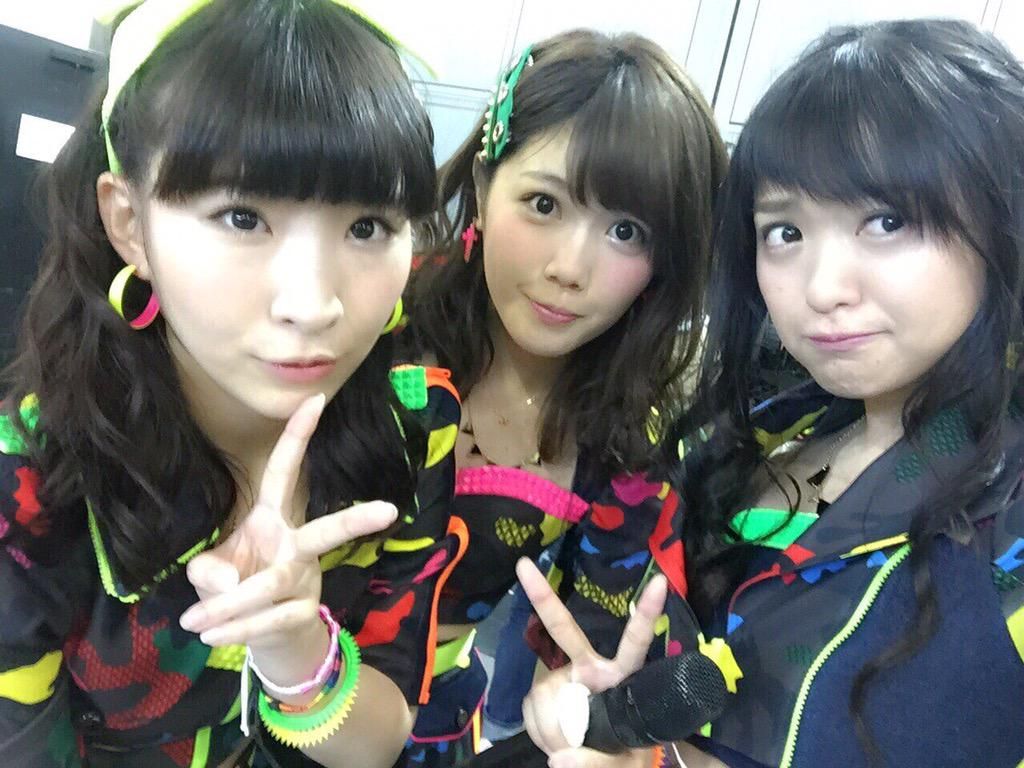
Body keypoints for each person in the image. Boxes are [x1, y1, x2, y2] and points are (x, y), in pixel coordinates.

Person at [518, 18, 1024, 768]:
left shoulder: (1005, 521)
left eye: (886, 221)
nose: (821, 289)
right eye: (784, 232)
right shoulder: (754, 439)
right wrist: (612, 719)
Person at [0, 1, 466, 766]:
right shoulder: (29, 485)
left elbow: (380, 740)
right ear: (128, 224)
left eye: (367, 227)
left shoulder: (414, 424)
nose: (314, 305)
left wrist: (298, 651)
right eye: (243, 217)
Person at [399, 28, 727, 767]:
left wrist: (574, 695)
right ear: (484, 185)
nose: (571, 268)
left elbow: (591, 638)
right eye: (543, 203)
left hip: (429, 736)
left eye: (625, 231)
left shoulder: (628, 444)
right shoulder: (368, 329)